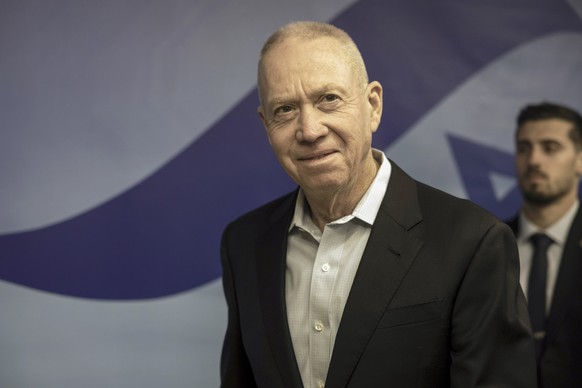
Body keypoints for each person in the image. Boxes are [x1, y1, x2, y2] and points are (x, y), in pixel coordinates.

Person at [220, 21, 536, 388]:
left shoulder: (472, 241)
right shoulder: (244, 244)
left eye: (328, 99)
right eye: (286, 109)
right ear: (265, 123)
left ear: (372, 106)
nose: (309, 130)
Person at [506, 102, 582, 388]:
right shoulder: (487, 243)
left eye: (550, 148)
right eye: (524, 148)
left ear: (579, 160)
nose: (534, 159)